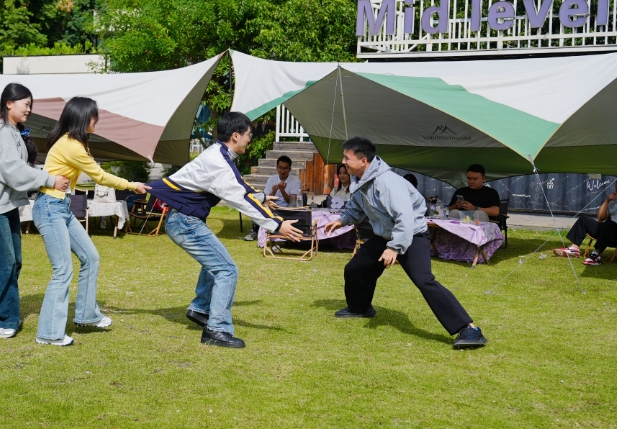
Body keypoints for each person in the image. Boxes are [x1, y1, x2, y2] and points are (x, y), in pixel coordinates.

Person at [148, 112, 303, 349]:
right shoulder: (219, 161)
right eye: (249, 135)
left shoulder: (219, 155)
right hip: (185, 222)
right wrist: (277, 224)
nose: (250, 139)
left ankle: (201, 309)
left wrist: (261, 197)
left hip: (184, 220)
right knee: (227, 270)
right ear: (236, 135)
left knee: (216, 263)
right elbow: (239, 198)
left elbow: (238, 186)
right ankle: (217, 329)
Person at [324, 136, 487, 350]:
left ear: (363, 161)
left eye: (347, 158)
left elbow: (405, 218)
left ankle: (470, 329)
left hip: (412, 235)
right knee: (356, 269)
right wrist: (342, 220)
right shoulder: (360, 180)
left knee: (424, 280)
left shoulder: (388, 183)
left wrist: (394, 248)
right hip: (386, 236)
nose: (343, 162)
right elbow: (357, 206)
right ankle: (360, 308)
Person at [33, 97, 150, 346]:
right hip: (50, 208)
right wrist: (132, 185)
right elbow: (100, 176)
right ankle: (49, 333)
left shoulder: (75, 142)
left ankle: (87, 315)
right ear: (83, 117)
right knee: (62, 270)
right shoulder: (72, 145)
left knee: (91, 257)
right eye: (94, 115)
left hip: (60, 207)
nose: (97, 120)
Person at [0, 83, 69, 339]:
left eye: (30, 105)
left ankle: (7, 315)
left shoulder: (12, 131)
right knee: (1, 264)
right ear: (9, 103)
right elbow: (14, 171)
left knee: (13, 262)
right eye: (26, 104)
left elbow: (19, 169)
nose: (29, 109)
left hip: (6, 204)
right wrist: (49, 179)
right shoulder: (1, 132)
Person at [555, 172, 617, 265]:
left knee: (609, 223)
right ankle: (574, 248)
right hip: (608, 231)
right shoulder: (614, 200)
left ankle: (596, 255)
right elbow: (600, 218)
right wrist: (607, 201)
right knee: (584, 220)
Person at [243, 155, 302, 241]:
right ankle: (255, 230)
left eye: (285, 168)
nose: (283, 171)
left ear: (290, 169)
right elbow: (265, 198)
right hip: (273, 206)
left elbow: (292, 202)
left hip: (287, 209)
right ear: (277, 168)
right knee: (257, 206)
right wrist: (273, 192)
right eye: (280, 168)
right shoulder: (272, 179)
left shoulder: (295, 180)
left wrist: (282, 190)